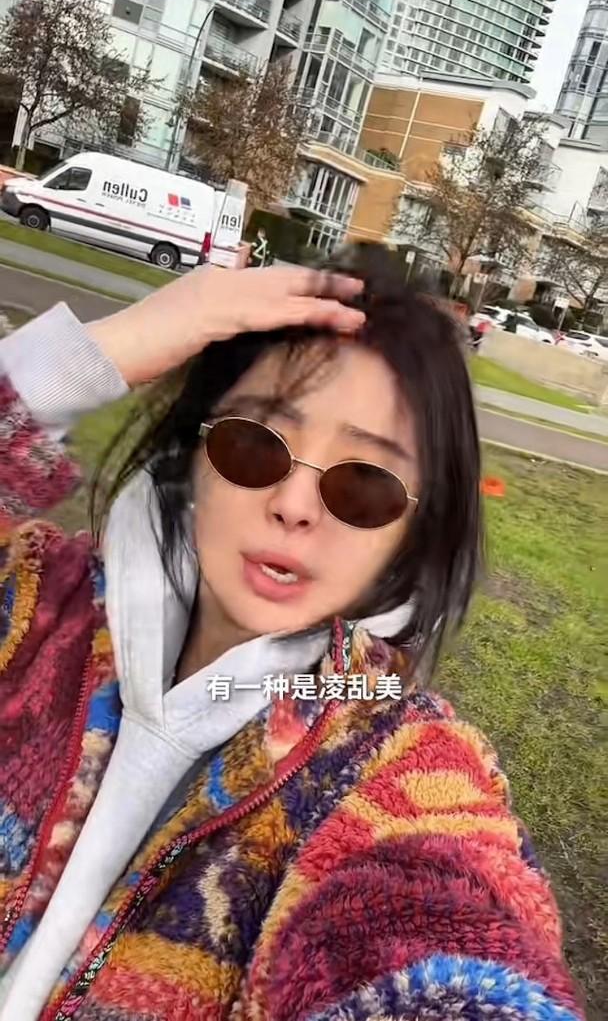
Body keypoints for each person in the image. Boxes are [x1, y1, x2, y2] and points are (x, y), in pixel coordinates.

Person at [0, 246, 583, 1021]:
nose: (295, 505)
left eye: (365, 483)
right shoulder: (35, 605)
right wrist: (119, 342)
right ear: (193, 453)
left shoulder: (390, 769)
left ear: (412, 531)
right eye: (254, 443)